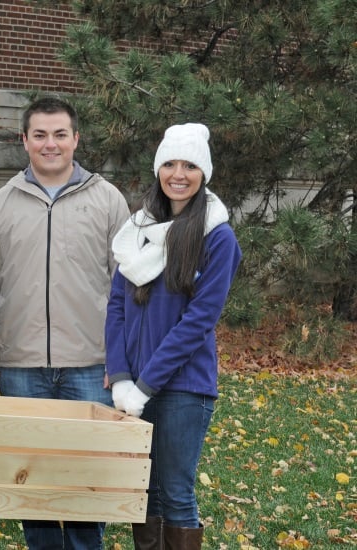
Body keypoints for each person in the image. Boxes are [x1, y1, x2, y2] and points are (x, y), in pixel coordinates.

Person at [0, 97, 130, 550]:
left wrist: (120, 361)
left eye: (60, 134)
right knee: (33, 483)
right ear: (24, 141)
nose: (50, 144)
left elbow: (126, 290)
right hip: (21, 368)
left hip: (91, 366)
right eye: (40, 135)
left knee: (86, 483)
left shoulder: (107, 200)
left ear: (76, 139)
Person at [105, 123, 242, 549]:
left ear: (204, 174)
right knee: (143, 493)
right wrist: (122, 374)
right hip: (134, 387)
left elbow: (199, 320)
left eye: (189, 165)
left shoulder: (217, 238)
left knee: (177, 496)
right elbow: (116, 306)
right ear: (157, 169)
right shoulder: (139, 232)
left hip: (184, 387)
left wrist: (146, 384)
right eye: (169, 163)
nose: (177, 174)